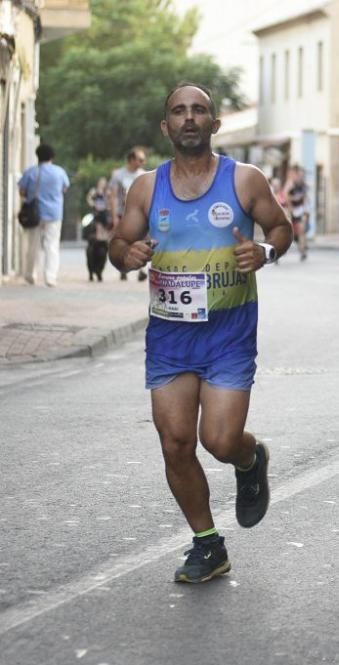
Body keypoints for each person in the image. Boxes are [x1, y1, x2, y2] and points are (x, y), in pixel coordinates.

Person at [108, 83, 292, 583]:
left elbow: (282, 230)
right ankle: (208, 543)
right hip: (169, 336)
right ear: (166, 127)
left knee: (220, 438)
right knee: (175, 443)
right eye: (178, 111)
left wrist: (265, 253)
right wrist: (126, 255)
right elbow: (119, 242)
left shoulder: (245, 180)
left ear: (214, 124)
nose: (189, 118)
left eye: (199, 111)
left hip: (228, 333)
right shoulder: (146, 187)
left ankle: (250, 458)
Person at [17, 144, 71, 287]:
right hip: (54, 213)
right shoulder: (60, 172)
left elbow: (22, 191)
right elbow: (65, 188)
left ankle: (31, 275)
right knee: (52, 246)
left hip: (34, 214)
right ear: (52, 157)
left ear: (37, 156)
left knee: (32, 245)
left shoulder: (31, 172)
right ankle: (50, 277)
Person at [109, 146, 149, 281]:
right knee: (124, 241)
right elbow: (113, 196)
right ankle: (123, 266)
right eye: (140, 160)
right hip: (122, 213)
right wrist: (114, 216)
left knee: (142, 241)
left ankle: (142, 270)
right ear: (131, 159)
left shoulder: (144, 175)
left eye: (144, 160)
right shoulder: (118, 175)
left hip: (140, 213)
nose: (143, 163)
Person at [85, 176, 113, 281]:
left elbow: (112, 203)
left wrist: (108, 207)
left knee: (103, 249)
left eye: (104, 183)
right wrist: (93, 204)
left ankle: (99, 271)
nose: (102, 184)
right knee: (90, 249)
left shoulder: (108, 193)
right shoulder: (94, 192)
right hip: (96, 218)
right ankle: (92, 272)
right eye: (100, 182)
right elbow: (89, 199)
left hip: (104, 220)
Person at [284, 165, 309, 260]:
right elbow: (285, 195)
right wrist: (293, 200)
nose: (301, 177)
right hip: (291, 210)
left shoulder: (303, 185)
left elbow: (305, 198)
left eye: (303, 175)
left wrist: (306, 210)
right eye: (300, 175)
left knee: (302, 230)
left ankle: (303, 251)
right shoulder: (291, 183)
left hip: (300, 210)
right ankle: (283, 248)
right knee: (289, 232)